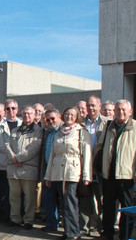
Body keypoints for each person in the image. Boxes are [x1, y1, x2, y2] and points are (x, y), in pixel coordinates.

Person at [95, 100, 136, 240]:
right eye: (118, 109)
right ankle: (108, 235)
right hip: (108, 175)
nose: (120, 112)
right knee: (108, 208)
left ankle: (125, 236)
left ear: (130, 111)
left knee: (127, 209)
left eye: (123, 109)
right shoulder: (109, 126)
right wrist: (97, 166)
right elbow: (100, 146)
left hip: (126, 175)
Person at [45, 106, 92, 240]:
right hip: (58, 172)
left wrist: (86, 176)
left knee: (71, 202)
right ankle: (67, 231)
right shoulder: (59, 132)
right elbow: (52, 155)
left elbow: (87, 155)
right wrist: (48, 176)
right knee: (64, 203)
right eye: (67, 114)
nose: (69, 117)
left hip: (73, 172)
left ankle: (74, 232)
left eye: (72, 115)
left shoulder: (81, 132)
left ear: (77, 117)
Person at [4, 105, 43, 230]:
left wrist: (19, 158)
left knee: (29, 198)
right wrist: (14, 159)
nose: (27, 116)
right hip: (13, 169)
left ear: (34, 115)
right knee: (14, 196)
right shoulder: (15, 130)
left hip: (28, 169)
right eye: (25, 113)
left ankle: (28, 220)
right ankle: (15, 218)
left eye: (30, 113)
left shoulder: (38, 130)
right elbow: (7, 145)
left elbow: (34, 148)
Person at [79, 95, 108, 237]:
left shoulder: (108, 123)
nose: (91, 108)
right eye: (89, 105)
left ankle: (102, 227)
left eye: (93, 105)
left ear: (99, 106)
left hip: (100, 167)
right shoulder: (80, 123)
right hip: (83, 166)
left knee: (102, 198)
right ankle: (85, 227)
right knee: (85, 197)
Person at [0, 99, 22, 222]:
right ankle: (6, 215)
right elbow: (0, 144)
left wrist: (18, 157)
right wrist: (12, 156)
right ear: (5, 111)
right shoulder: (1, 126)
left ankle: (18, 216)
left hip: (20, 163)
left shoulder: (23, 124)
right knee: (5, 191)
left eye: (13, 108)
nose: (10, 111)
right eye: (8, 108)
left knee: (18, 192)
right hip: (6, 163)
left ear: (17, 109)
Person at [39, 108, 62, 232]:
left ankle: (67, 228)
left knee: (63, 202)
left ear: (59, 117)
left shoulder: (64, 131)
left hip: (61, 172)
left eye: (53, 118)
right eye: (48, 119)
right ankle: (52, 224)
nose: (50, 121)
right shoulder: (47, 132)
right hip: (48, 171)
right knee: (48, 199)